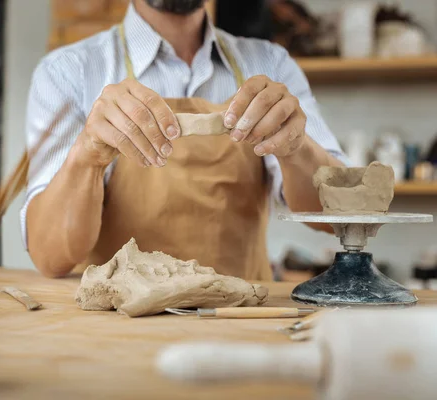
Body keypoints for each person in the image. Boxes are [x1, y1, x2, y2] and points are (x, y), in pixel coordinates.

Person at [22, 0, 347, 279]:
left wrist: (296, 147)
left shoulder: (271, 65)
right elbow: (51, 257)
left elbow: (338, 216)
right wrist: (87, 156)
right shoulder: (68, 73)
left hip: (238, 321)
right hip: (120, 330)